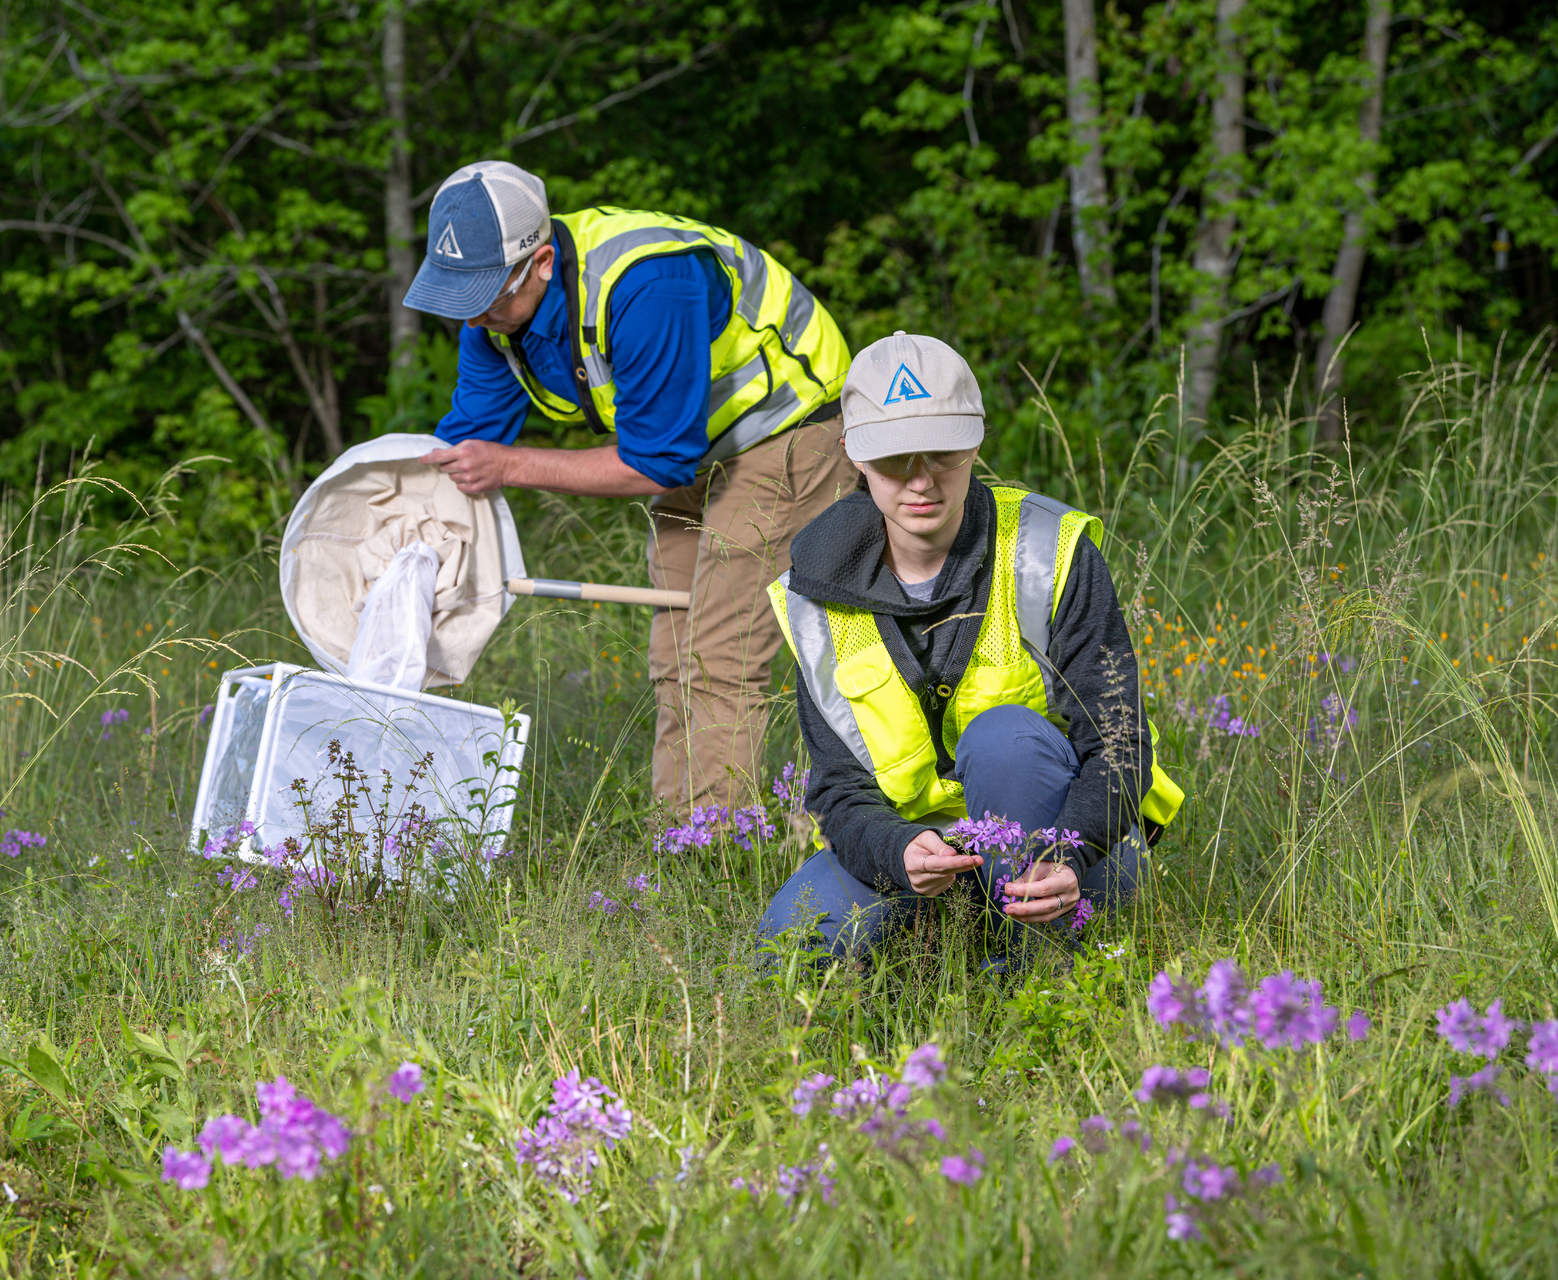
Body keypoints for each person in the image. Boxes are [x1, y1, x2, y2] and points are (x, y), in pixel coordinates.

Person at [402, 161, 853, 811]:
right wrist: (408, 542)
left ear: (543, 263)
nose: (472, 316)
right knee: (674, 649)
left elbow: (656, 462)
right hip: (691, 445)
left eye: (484, 294)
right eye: (456, 296)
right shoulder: (492, 322)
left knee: (719, 650)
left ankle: (718, 852)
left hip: (784, 426)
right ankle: (681, 838)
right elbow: (466, 446)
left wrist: (512, 466)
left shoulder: (646, 284)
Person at [755, 332, 1185, 963]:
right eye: (896, 458)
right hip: (918, 848)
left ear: (976, 440)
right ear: (854, 455)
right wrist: (896, 851)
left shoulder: (1047, 551)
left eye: (944, 452)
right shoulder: (815, 591)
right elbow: (839, 787)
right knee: (785, 950)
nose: (922, 480)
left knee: (1005, 738)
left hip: (1071, 852)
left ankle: (1038, 971)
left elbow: (1119, 740)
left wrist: (1071, 849)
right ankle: (950, 933)